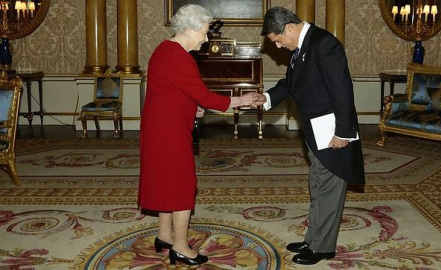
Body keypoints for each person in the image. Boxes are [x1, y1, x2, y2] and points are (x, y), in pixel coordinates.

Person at [138, 4, 257, 266]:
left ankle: (164, 235)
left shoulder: (164, 49)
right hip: (169, 132)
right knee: (182, 184)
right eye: (203, 33)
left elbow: (174, 91)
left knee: (167, 181)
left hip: (161, 127)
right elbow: (205, 95)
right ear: (190, 30)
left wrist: (193, 107)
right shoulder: (180, 57)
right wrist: (242, 100)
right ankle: (179, 247)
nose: (206, 39)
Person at [254, 7, 365, 265]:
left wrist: (344, 133)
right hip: (315, 131)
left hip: (332, 132)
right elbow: (291, 83)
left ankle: (323, 247)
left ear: (289, 27)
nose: (279, 46)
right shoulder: (302, 47)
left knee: (328, 187)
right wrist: (268, 97)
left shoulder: (324, 44)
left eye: (279, 40)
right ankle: (313, 238)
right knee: (317, 185)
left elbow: (342, 90)